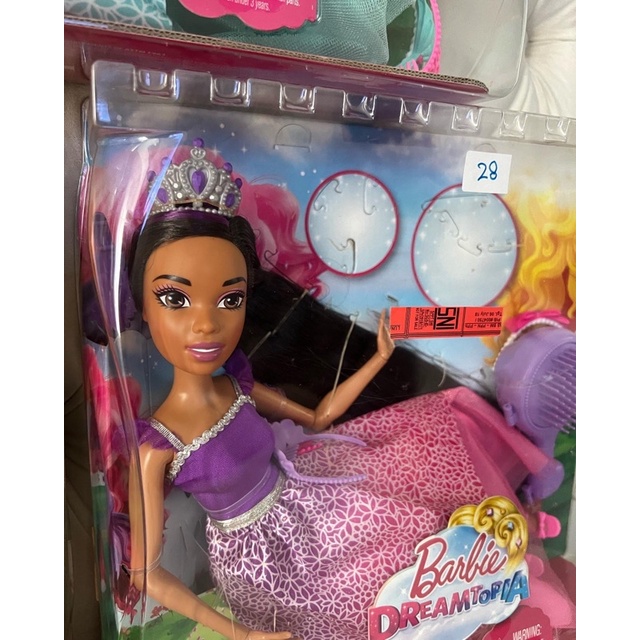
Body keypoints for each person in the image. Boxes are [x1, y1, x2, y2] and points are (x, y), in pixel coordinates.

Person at [109, 140, 574, 640]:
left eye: (230, 299)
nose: (205, 324)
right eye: (175, 298)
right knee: (380, 585)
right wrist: (237, 633)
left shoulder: (234, 383)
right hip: (268, 570)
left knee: (417, 469)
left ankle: (512, 549)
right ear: (142, 304)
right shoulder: (157, 446)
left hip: (305, 498)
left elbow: (318, 417)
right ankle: (497, 578)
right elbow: (145, 574)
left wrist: (378, 357)